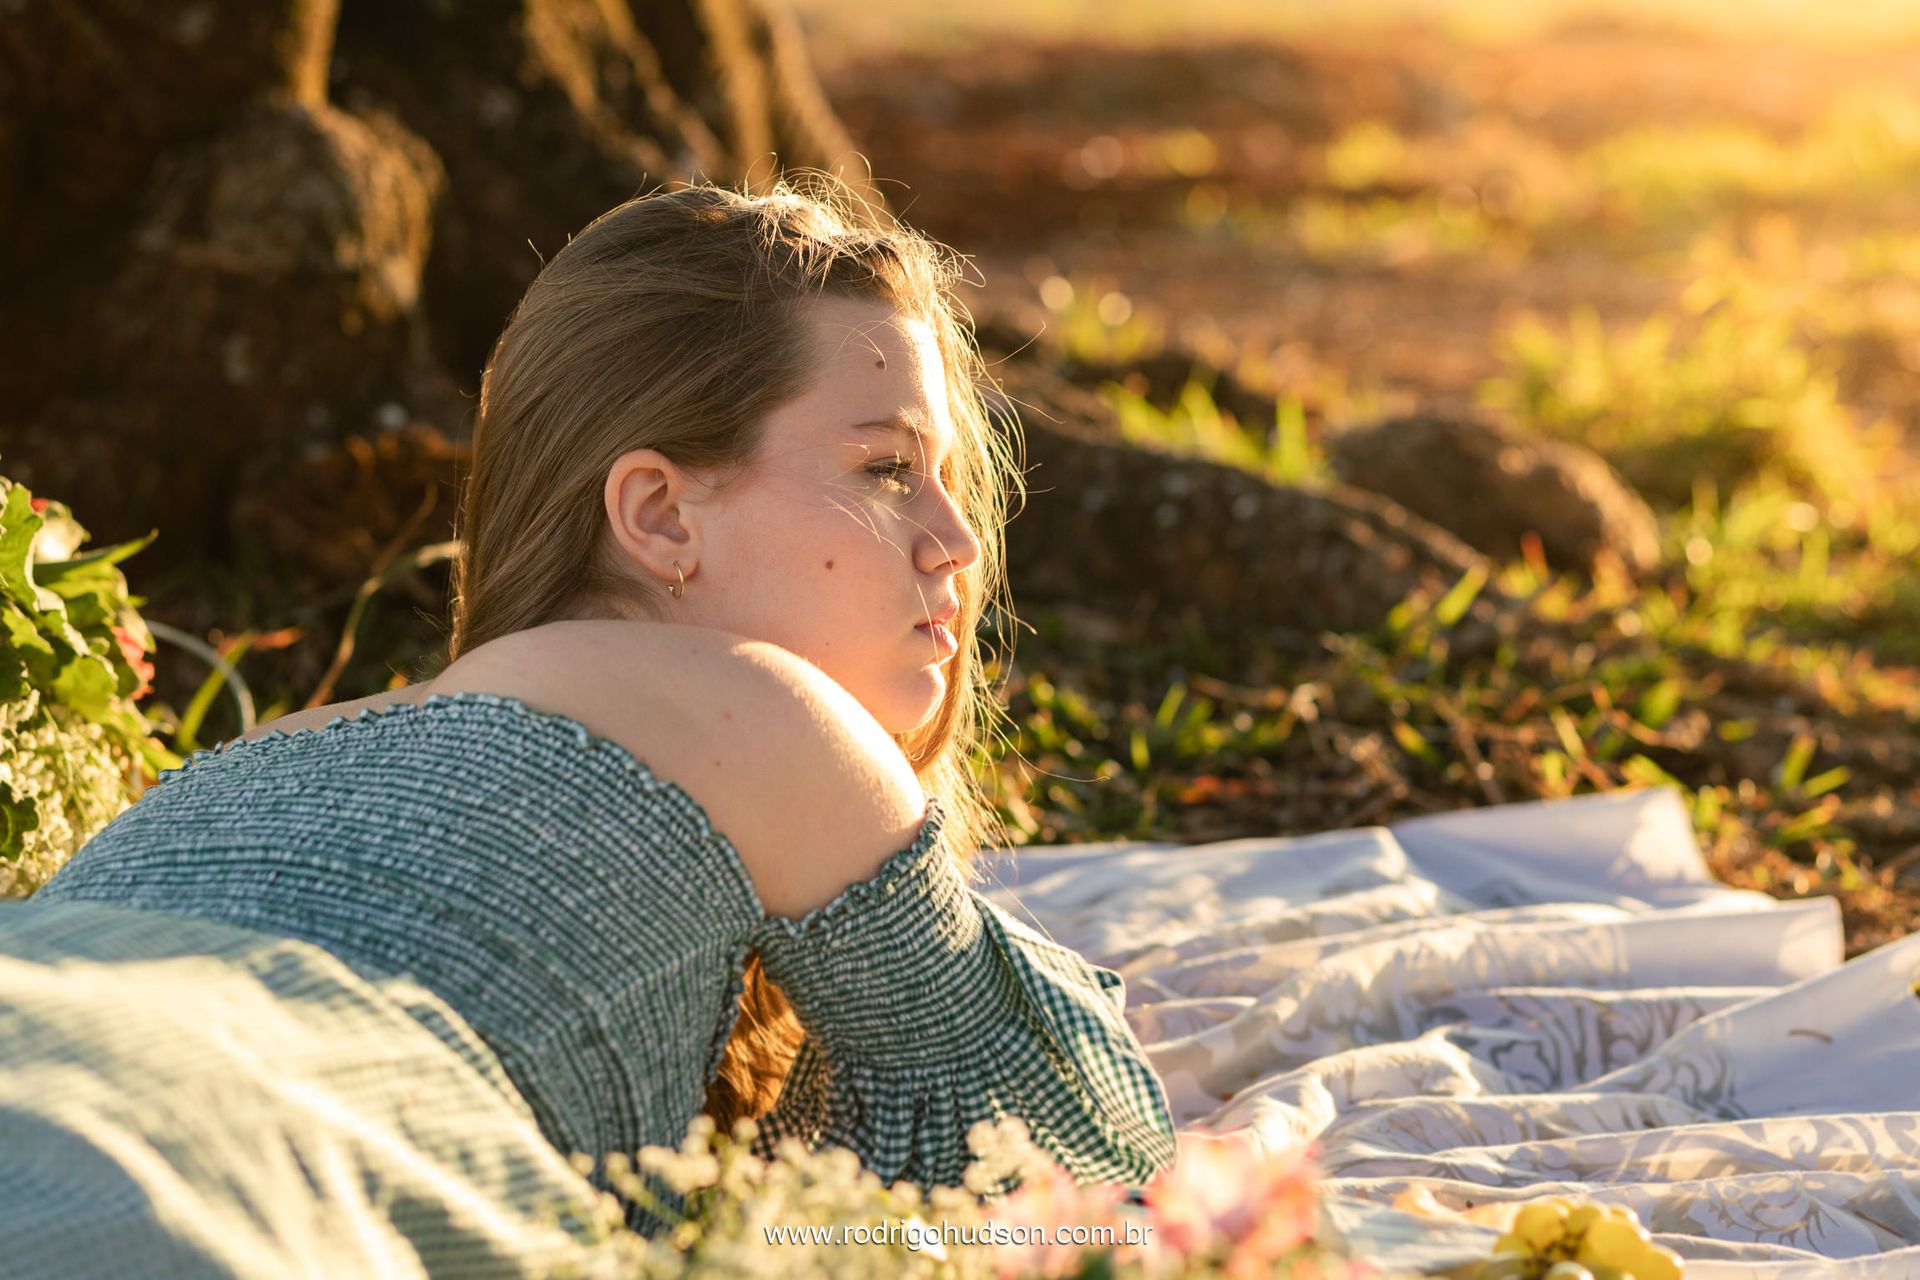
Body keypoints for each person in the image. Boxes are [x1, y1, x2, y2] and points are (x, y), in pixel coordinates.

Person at [4, 176, 1178, 1274]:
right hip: (194, 1140)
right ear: (659, 515)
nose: (956, 540)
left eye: (947, 479)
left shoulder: (248, 763)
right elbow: (1067, 1173)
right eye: (883, 470)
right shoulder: (753, 706)